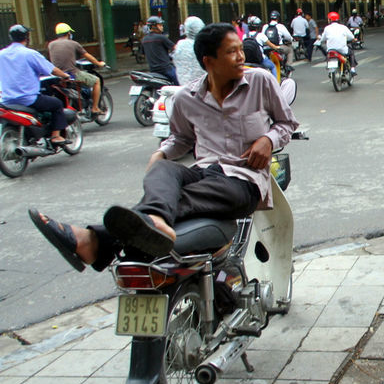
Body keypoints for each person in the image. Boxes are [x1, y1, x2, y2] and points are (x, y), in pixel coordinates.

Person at [30, 22, 299, 273]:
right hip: (205, 172)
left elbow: (286, 123)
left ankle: (97, 239)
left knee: (177, 197)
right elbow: (180, 139)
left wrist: (268, 139)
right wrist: (160, 154)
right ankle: (154, 221)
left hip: (242, 180)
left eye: (241, 50)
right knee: (164, 170)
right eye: (232, 52)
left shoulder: (260, 81)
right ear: (209, 61)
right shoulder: (186, 98)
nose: (241, 57)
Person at [0, 24, 72, 145]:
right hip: (28, 99)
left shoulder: (1, 54)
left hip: (7, 100)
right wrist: (65, 76)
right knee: (57, 104)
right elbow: (51, 69)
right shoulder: (30, 54)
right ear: (27, 37)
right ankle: (56, 136)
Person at [47, 22, 105, 115]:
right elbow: (88, 56)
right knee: (96, 81)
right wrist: (99, 63)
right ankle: (95, 108)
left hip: (57, 75)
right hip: (72, 74)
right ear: (68, 33)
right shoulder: (74, 44)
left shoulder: (51, 45)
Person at [141, 16, 178, 85]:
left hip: (153, 70)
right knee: (180, 83)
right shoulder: (161, 38)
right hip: (166, 69)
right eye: (160, 25)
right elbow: (176, 48)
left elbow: (143, 54)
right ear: (154, 26)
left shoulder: (144, 40)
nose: (162, 27)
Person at [172, 16, 206, 85]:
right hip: (202, 87)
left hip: (184, 86)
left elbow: (175, 61)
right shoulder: (203, 44)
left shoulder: (180, 44)